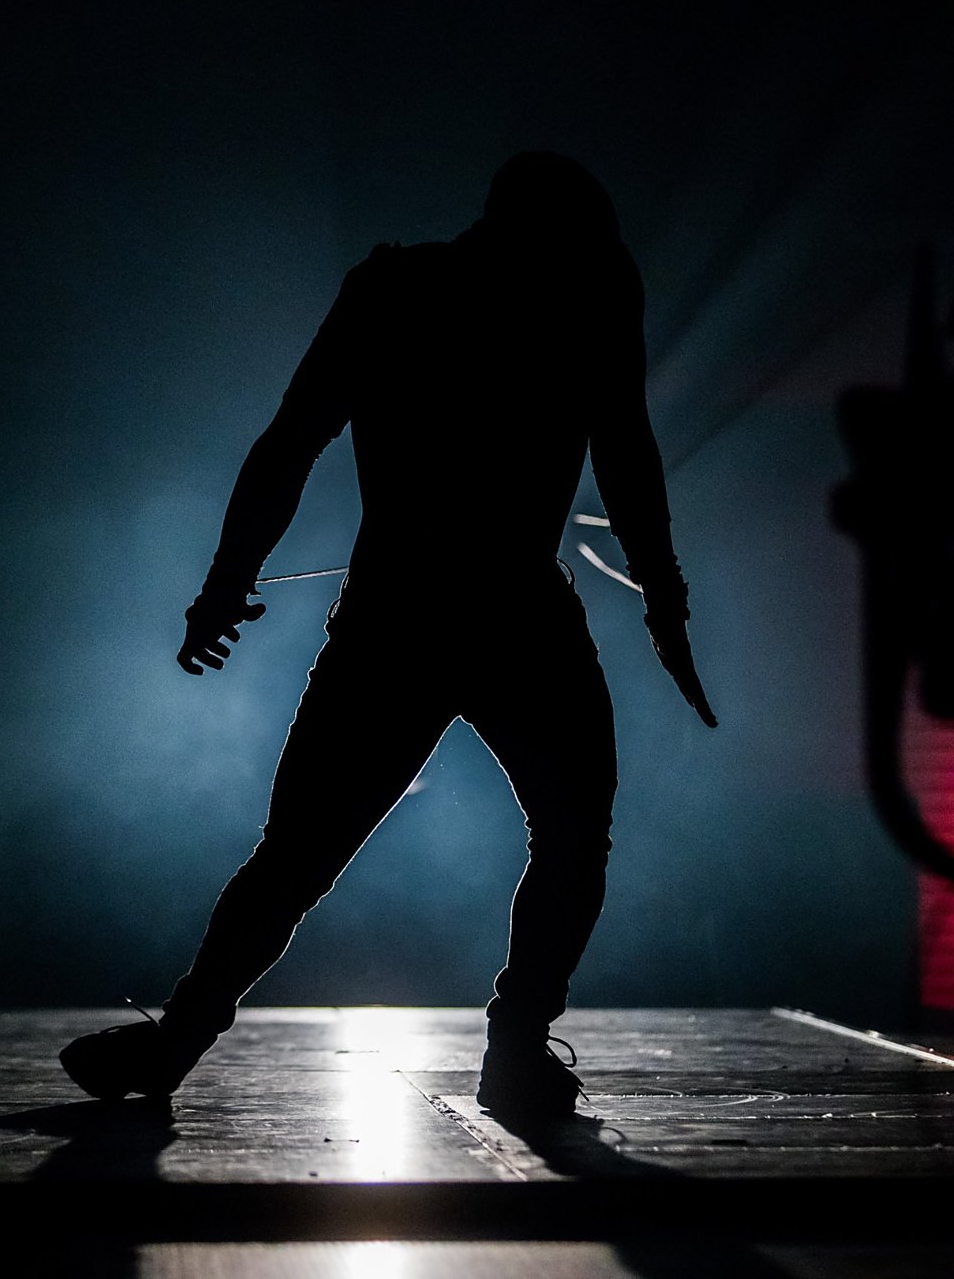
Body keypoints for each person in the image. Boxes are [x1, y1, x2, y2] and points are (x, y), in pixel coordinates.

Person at [60, 152, 716, 1120]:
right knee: (564, 837)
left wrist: (227, 583)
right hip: (506, 616)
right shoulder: (582, 293)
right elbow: (624, 452)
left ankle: (182, 1038)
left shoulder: (399, 290)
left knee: (303, 852)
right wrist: (662, 599)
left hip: (403, 615)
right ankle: (514, 1046)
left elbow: (293, 440)